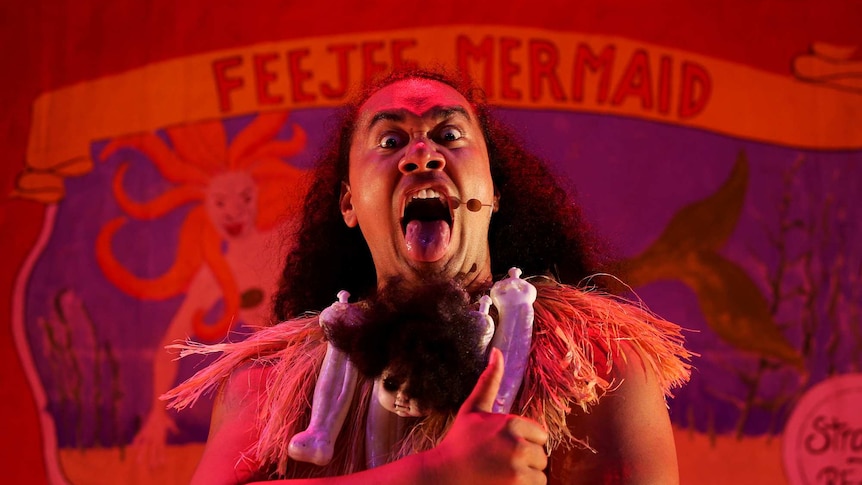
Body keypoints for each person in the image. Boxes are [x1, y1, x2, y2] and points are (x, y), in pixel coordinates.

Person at [163, 67, 691, 484]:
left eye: (449, 134)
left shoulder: (595, 365)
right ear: (349, 202)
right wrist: (435, 476)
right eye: (390, 142)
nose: (422, 153)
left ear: (493, 190)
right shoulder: (270, 384)